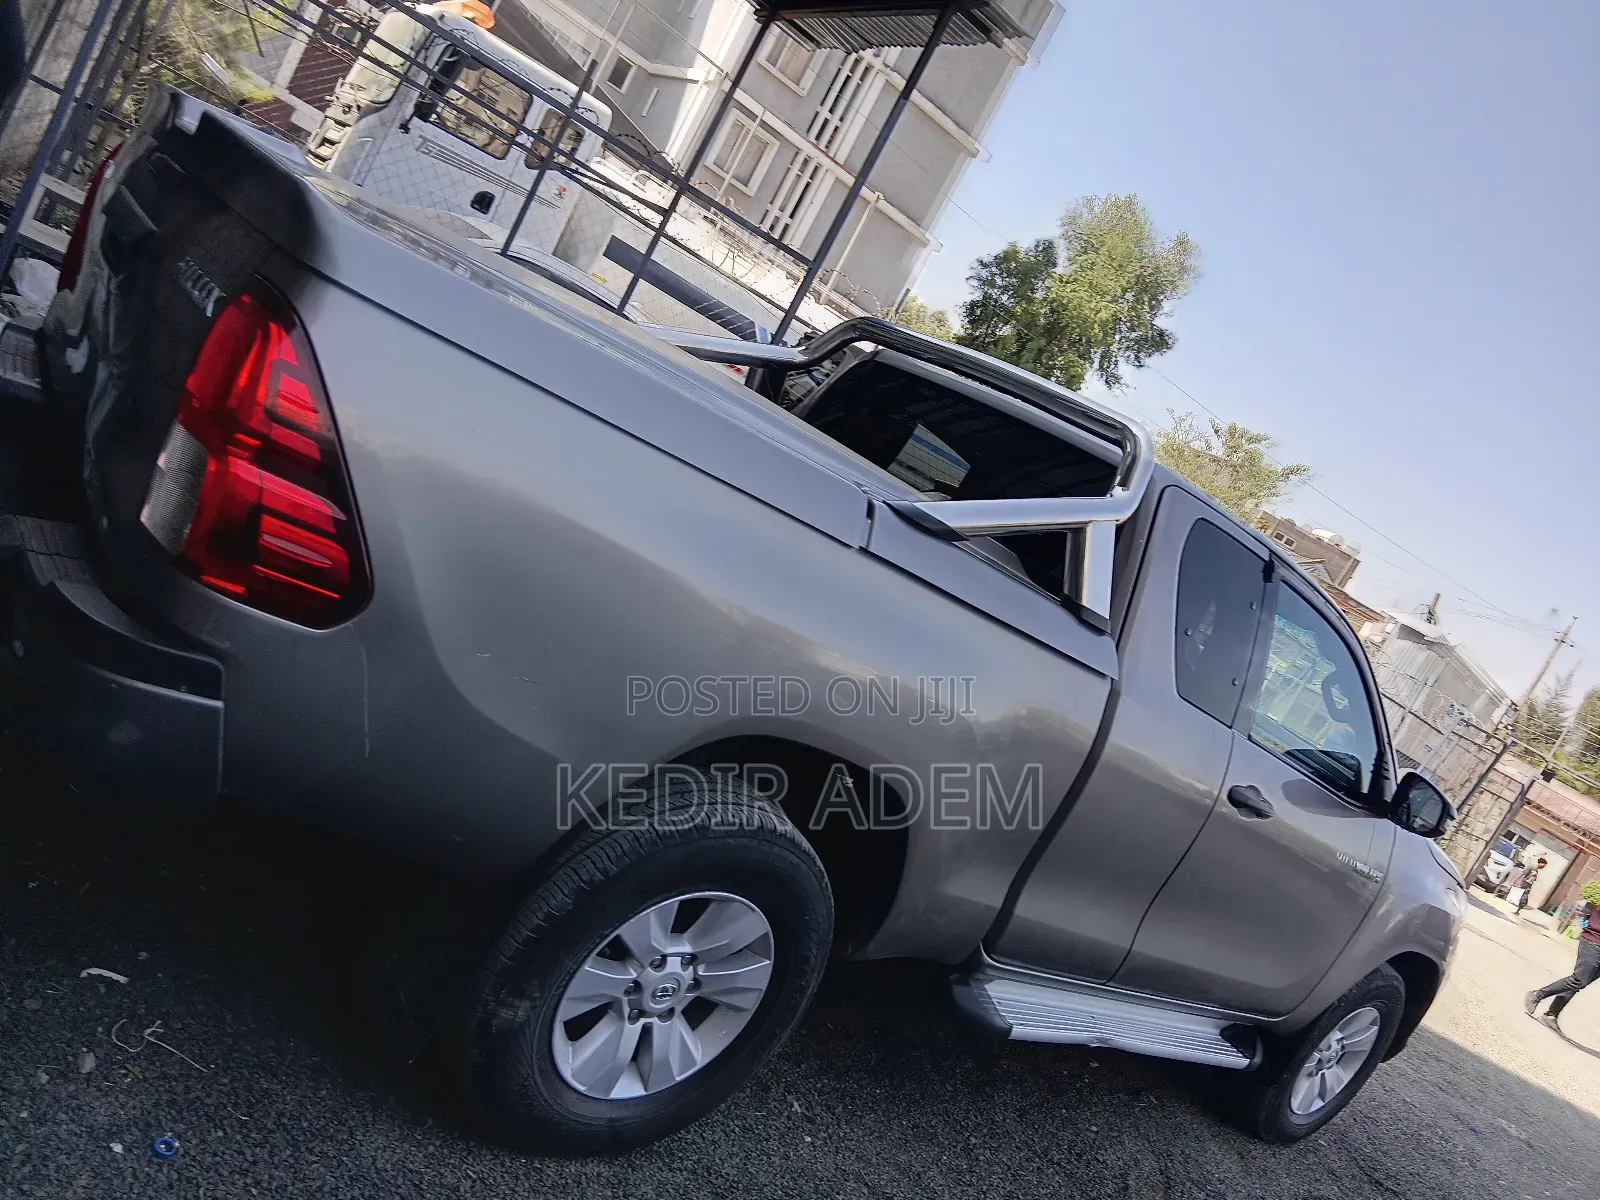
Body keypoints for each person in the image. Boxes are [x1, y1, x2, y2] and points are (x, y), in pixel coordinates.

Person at [1527, 898, 1600, 1028]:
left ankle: (1551, 1015)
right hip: (1595, 941)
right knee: (1579, 980)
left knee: (1579, 983)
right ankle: (1537, 994)